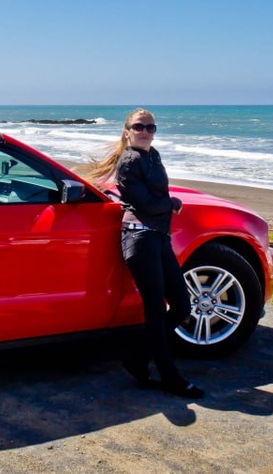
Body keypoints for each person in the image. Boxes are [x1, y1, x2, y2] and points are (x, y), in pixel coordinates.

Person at [82, 108, 205, 399]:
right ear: (127, 131)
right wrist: (173, 203)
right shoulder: (128, 161)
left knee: (182, 305)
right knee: (155, 310)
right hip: (139, 238)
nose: (145, 132)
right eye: (139, 127)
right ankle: (170, 376)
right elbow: (145, 203)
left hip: (158, 237)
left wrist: (166, 205)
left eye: (151, 127)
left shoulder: (153, 156)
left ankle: (138, 359)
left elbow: (154, 199)